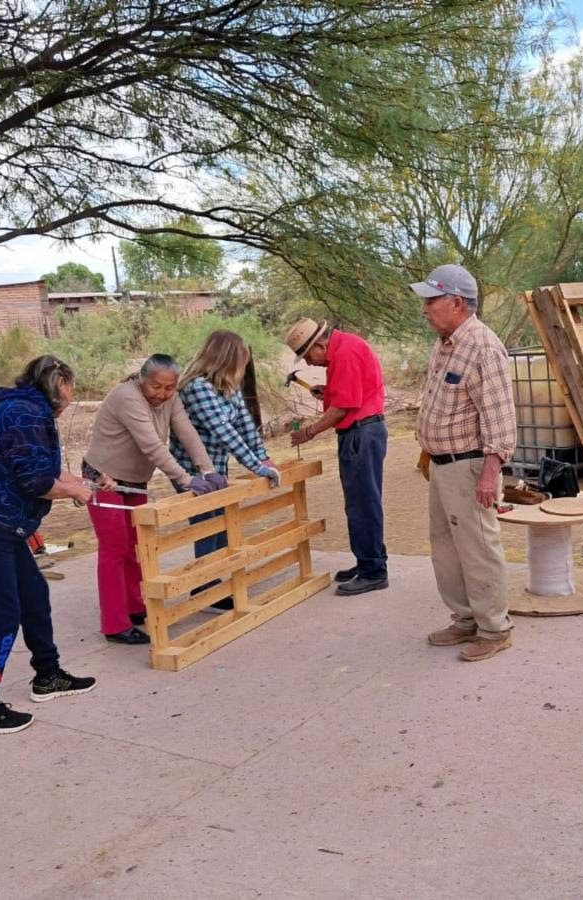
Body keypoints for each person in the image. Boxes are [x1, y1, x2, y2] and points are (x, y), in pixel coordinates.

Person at [0, 355, 97, 735]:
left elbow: (45, 472)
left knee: (34, 596)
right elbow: (36, 482)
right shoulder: (25, 415)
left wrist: (81, 484)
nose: (70, 398)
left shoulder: (29, 411)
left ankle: (47, 676)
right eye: (68, 390)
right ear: (55, 384)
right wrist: (75, 492)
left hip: (5, 523)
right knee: (1, 616)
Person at [411, 263, 517, 661]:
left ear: (456, 303)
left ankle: (494, 628)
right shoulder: (446, 342)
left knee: (478, 549)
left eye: (431, 300)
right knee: (446, 548)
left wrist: (490, 473)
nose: (425, 309)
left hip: (470, 466)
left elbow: (500, 419)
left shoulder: (483, 346)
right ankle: (466, 618)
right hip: (443, 465)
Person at [83, 354, 224, 645]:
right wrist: (188, 480)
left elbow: (186, 432)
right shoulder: (127, 397)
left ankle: (135, 608)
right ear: (141, 379)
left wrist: (207, 469)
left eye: (169, 388)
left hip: (135, 480)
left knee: (136, 544)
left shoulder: (170, 400)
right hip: (103, 479)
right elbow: (152, 445)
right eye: (155, 387)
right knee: (115, 549)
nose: (162, 394)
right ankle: (114, 624)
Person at [173, 330, 280, 610]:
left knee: (220, 523)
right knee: (207, 525)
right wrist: (256, 466)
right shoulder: (197, 387)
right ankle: (204, 587)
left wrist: (264, 457)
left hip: (217, 469)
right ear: (227, 360)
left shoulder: (226, 387)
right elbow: (224, 433)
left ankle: (212, 582)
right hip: (193, 471)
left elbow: (245, 425)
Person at [285, 317, 388, 595]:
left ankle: (373, 569)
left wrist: (309, 432)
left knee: (362, 503)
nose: (308, 363)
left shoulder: (345, 353)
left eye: (308, 356)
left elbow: (343, 407)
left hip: (361, 433)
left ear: (319, 344)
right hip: (362, 431)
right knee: (361, 500)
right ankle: (369, 559)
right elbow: (346, 393)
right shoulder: (343, 350)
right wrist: (328, 392)